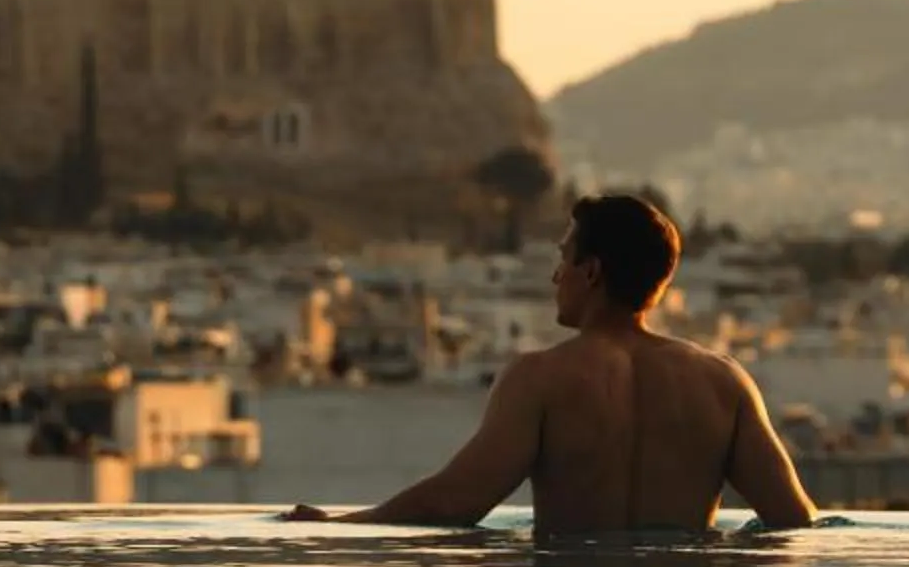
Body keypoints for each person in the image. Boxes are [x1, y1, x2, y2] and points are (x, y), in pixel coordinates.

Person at [285, 193, 819, 534]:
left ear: (590, 272)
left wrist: (340, 527)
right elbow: (793, 521)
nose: (553, 277)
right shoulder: (725, 383)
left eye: (563, 259)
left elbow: (456, 501)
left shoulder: (539, 379)